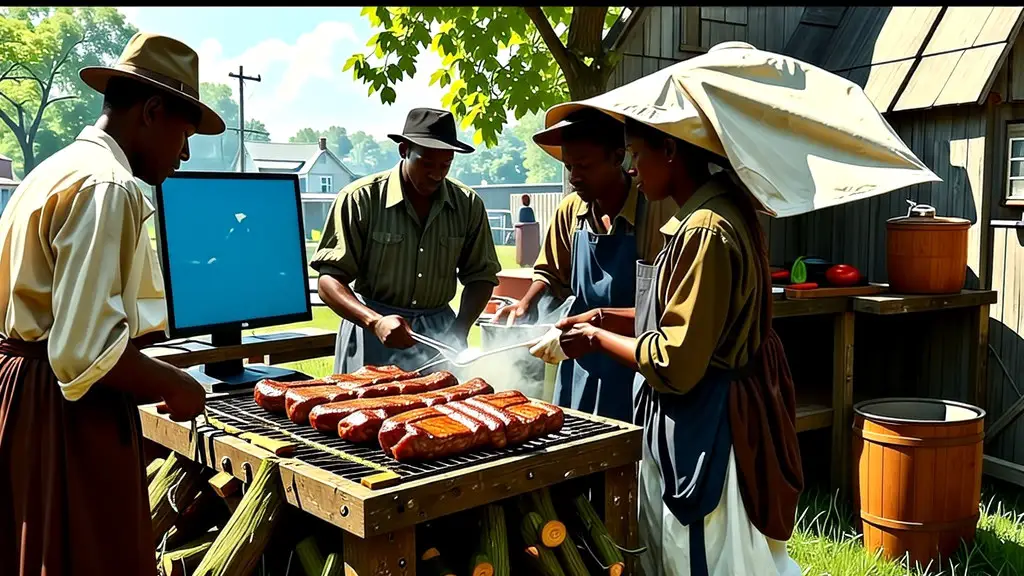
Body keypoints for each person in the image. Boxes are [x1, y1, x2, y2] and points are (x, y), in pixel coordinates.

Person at [0, 32, 220, 575]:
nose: (185, 153)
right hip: (65, 413)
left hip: (23, 396)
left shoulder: (55, 169)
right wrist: (176, 384)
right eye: (185, 133)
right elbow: (82, 351)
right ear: (151, 111)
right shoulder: (110, 186)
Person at [556, 116, 804, 575]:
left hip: (706, 422)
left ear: (669, 150)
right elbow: (689, 321)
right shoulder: (717, 211)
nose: (632, 169)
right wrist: (604, 316)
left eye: (636, 155)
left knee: (698, 557)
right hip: (712, 414)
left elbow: (674, 360)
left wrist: (595, 338)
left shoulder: (703, 229)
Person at [493, 108, 676, 423]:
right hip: (579, 359)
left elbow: (665, 308)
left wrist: (600, 322)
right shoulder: (570, 211)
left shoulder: (656, 212)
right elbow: (549, 272)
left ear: (618, 157)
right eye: (568, 166)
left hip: (634, 359)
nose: (574, 176)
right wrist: (525, 304)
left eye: (584, 166)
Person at [313, 108, 500, 374]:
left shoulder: (468, 205)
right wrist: (374, 322)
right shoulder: (359, 199)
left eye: (445, 165)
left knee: (437, 414)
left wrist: (459, 330)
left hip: (439, 338)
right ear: (404, 150)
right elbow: (328, 281)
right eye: (426, 164)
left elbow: (481, 277)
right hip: (372, 334)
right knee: (362, 411)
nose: (436, 174)